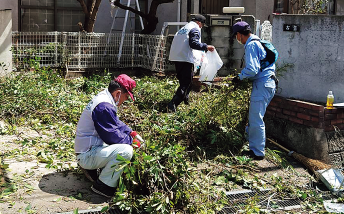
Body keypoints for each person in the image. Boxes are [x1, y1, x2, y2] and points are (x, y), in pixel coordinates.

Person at [74, 74, 144, 198]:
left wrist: (130, 132)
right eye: (126, 97)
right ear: (118, 93)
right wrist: (132, 143)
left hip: (88, 148)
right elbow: (111, 136)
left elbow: (115, 123)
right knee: (125, 151)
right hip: (87, 154)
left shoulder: (104, 98)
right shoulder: (104, 106)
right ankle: (103, 186)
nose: (125, 101)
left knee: (122, 145)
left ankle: (94, 170)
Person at [231, 21, 277, 160]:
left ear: (239, 34)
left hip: (262, 85)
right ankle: (251, 143)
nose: (237, 39)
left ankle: (257, 152)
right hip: (268, 83)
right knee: (255, 117)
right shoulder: (258, 41)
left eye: (236, 36)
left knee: (256, 119)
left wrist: (240, 77)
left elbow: (252, 69)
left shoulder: (251, 45)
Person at [168, 14, 215, 112]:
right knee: (186, 83)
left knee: (184, 81)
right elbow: (194, 43)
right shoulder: (195, 28)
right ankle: (173, 104)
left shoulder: (184, 28)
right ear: (199, 22)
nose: (201, 27)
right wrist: (206, 47)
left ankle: (186, 100)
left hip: (177, 57)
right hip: (185, 58)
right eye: (202, 24)